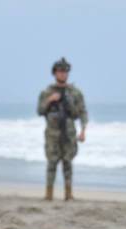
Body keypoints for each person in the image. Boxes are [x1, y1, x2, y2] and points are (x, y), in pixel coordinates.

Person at [36, 57, 88, 201]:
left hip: (69, 133)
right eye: (60, 71)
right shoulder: (47, 92)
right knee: (51, 163)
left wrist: (83, 130)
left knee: (68, 163)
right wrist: (50, 100)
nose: (63, 74)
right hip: (52, 134)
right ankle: (49, 194)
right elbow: (40, 111)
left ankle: (68, 194)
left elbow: (82, 112)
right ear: (54, 73)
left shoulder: (75, 92)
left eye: (65, 72)